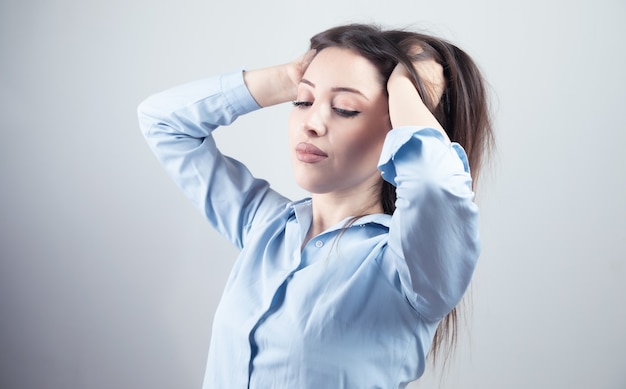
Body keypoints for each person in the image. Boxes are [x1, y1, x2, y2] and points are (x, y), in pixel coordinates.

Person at [138, 23, 493, 388]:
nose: (311, 123)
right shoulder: (267, 228)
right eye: (303, 101)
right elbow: (163, 122)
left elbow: (434, 185)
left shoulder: (411, 270)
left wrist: (405, 90)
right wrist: (285, 79)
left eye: (344, 108)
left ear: (397, 130)